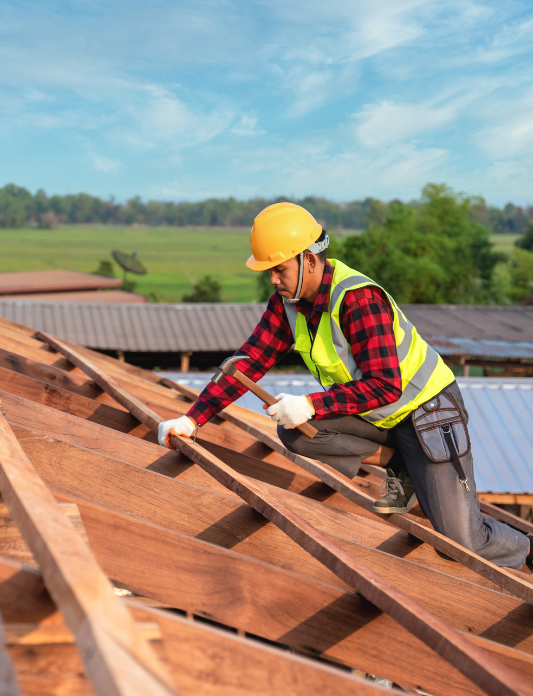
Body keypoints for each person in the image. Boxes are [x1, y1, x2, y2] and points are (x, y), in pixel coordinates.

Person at [158, 202, 533, 571]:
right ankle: (403, 464)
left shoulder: (357, 298)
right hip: (380, 417)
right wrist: (192, 420)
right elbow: (250, 361)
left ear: (309, 259)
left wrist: (311, 403)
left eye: (279, 269)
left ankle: (527, 549)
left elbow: (386, 386)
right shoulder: (287, 302)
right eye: (268, 271)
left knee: (461, 541)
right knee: (296, 432)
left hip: (429, 416)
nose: (272, 279)